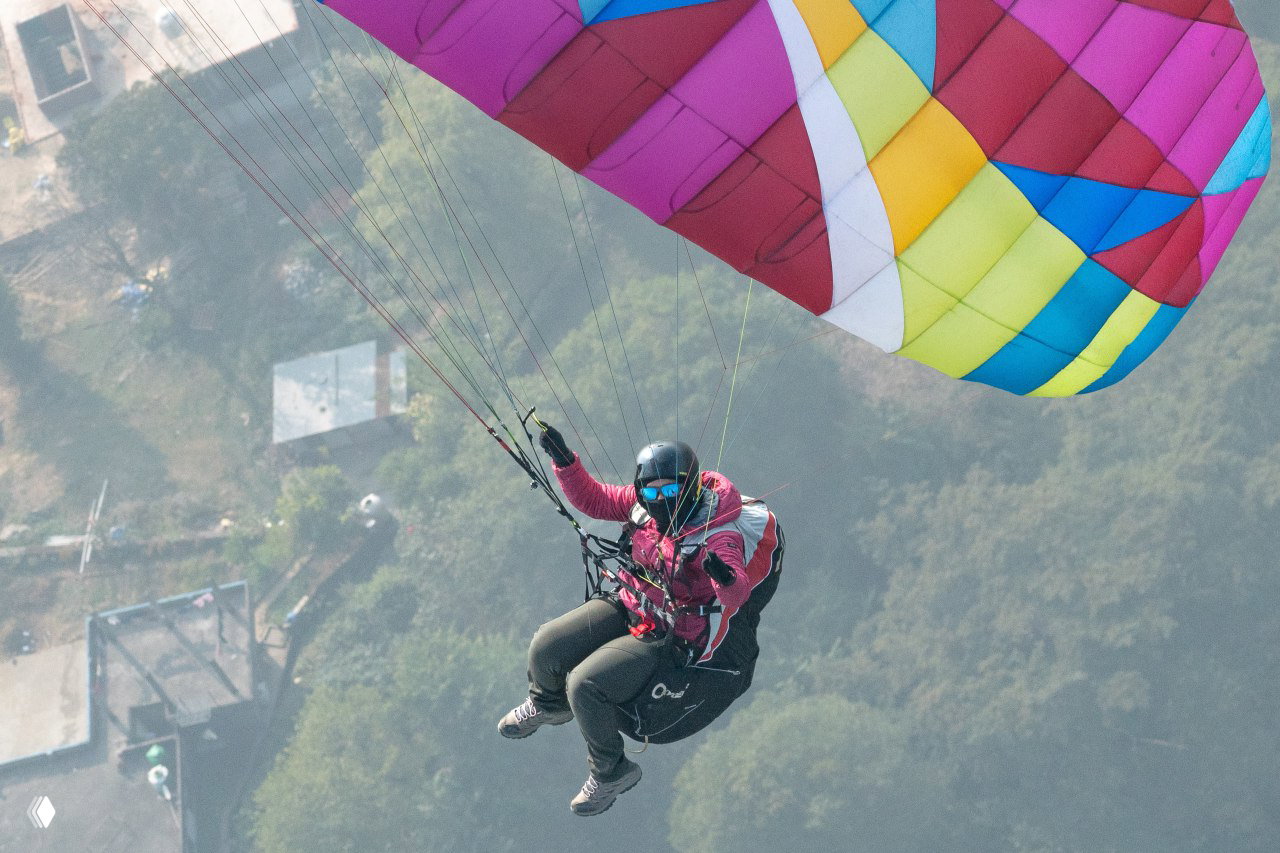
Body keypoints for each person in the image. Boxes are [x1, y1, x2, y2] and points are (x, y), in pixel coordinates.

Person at [498, 425, 759, 816]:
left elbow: (737, 594)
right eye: (651, 491)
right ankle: (547, 703)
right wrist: (563, 460)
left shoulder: (717, 533)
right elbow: (595, 499)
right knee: (547, 644)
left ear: (688, 488)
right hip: (631, 602)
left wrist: (722, 575)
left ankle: (611, 772)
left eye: (669, 491)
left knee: (584, 684)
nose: (659, 500)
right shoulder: (640, 506)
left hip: (670, 633)